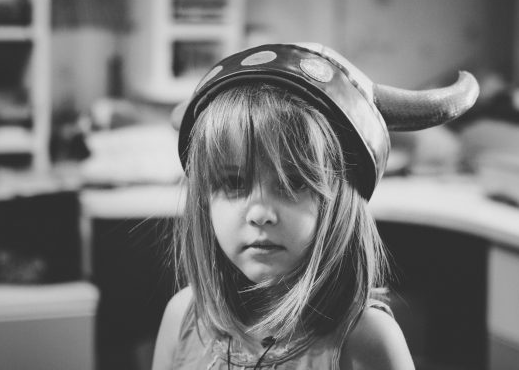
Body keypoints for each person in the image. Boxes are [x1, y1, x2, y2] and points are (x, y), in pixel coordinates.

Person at [153, 43, 479, 369]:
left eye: (294, 183)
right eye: (233, 183)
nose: (260, 214)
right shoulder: (182, 319)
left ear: (340, 201)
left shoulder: (365, 338)